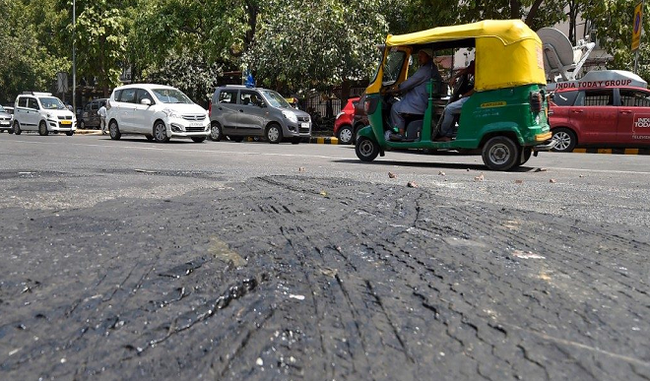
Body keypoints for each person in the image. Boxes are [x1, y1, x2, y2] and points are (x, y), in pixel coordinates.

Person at [388, 48, 442, 141]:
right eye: (418, 56)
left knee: (395, 108)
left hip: (419, 103)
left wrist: (397, 88)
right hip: (422, 100)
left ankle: (400, 134)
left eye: (421, 56)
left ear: (428, 57)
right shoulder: (430, 68)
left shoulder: (426, 69)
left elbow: (411, 82)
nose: (419, 58)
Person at [436, 60, 475, 141]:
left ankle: (444, 134)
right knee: (454, 108)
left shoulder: (480, 73)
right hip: (471, 97)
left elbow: (475, 90)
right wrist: (455, 76)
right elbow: (467, 70)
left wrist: (463, 96)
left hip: (474, 98)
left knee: (449, 109)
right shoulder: (472, 73)